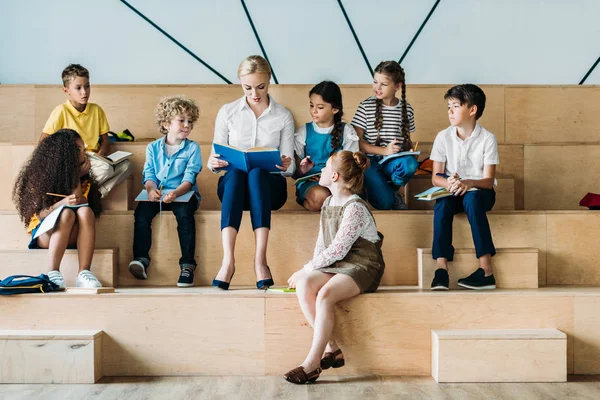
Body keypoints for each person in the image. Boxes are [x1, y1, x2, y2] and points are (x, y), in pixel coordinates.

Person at [284, 151, 385, 384]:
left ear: (335, 176)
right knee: (305, 284)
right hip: (339, 263)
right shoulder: (329, 202)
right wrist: (307, 273)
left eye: (326, 166)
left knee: (325, 295)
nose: (322, 169)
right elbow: (323, 244)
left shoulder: (355, 207)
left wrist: (305, 268)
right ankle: (333, 348)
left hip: (363, 264)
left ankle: (312, 363)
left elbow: (338, 250)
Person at [208, 55, 295, 290]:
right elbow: (213, 158)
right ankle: (228, 261)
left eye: (261, 86)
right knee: (236, 175)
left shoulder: (283, 115)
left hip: (270, 189)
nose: (254, 93)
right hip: (233, 188)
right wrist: (215, 163)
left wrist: (288, 164)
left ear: (269, 82)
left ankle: (260, 261)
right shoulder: (228, 112)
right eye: (247, 87)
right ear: (240, 82)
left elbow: (291, 166)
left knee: (256, 173)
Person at [429, 84, 499, 291]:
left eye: (455, 106)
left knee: (472, 199)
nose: (450, 111)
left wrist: (469, 183)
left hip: (480, 193)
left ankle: (486, 271)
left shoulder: (488, 139)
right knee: (441, 205)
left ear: (472, 110)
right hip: (453, 191)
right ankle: (441, 269)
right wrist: (449, 182)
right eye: (448, 106)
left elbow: (488, 181)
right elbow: (436, 177)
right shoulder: (443, 137)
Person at [13, 129, 103, 289]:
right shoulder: (41, 178)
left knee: (85, 211)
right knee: (66, 213)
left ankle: (84, 273)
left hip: (72, 233)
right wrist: (61, 204)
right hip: (46, 233)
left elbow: (79, 202)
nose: (84, 154)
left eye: (84, 150)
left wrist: (75, 175)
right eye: (78, 150)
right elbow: (41, 216)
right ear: (64, 154)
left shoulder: (83, 180)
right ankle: (53, 272)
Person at [128, 96, 202, 287]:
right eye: (181, 120)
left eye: (190, 122)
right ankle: (141, 260)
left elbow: (189, 178)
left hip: (183, 194)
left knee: (185, 217)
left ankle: (187, 266)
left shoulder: (193, 148)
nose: (187, 125)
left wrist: (175, 194)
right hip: (158, 193)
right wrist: (151, 190)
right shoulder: (153, 148)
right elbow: (149, 174)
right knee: (141, 214)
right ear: (166, 123)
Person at [39, 64, 132, 198]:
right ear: (66, 91)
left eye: (87, 86)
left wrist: (101, 155)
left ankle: (96, 193)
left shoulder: (96, 110)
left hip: (94, 159)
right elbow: (43, 142)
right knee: (105, 169)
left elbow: (106, 140)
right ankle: (73, 182)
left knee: (127, 165)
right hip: (73, 161)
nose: (84, 92)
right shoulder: (60, 111)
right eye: (78, 88)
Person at [351, 61, 418, 210]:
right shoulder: (366, 106)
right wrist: (384, 151)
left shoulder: (407, 109)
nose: (377, 88)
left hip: (393, 161)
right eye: (375, 82)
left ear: (397, 86)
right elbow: (356, 143)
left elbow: (407, 140)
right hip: (369, 162)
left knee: (410, 164)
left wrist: (411, 152)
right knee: (385, 204)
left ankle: (391, 189)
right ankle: (389, 194)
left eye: (383, 84)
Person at [294, 81, 359, 211]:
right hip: (311, 183)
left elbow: (352, 166)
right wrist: (303, 170)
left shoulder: (347, 131)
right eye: (312, 105)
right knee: (322, 197)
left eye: (320, 107)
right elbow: (295, 173)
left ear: (335, 109)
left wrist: (332, 178)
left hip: (340, 182)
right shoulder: (304, 132)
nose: (314, 111)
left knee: (343, 196)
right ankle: (308, 202)